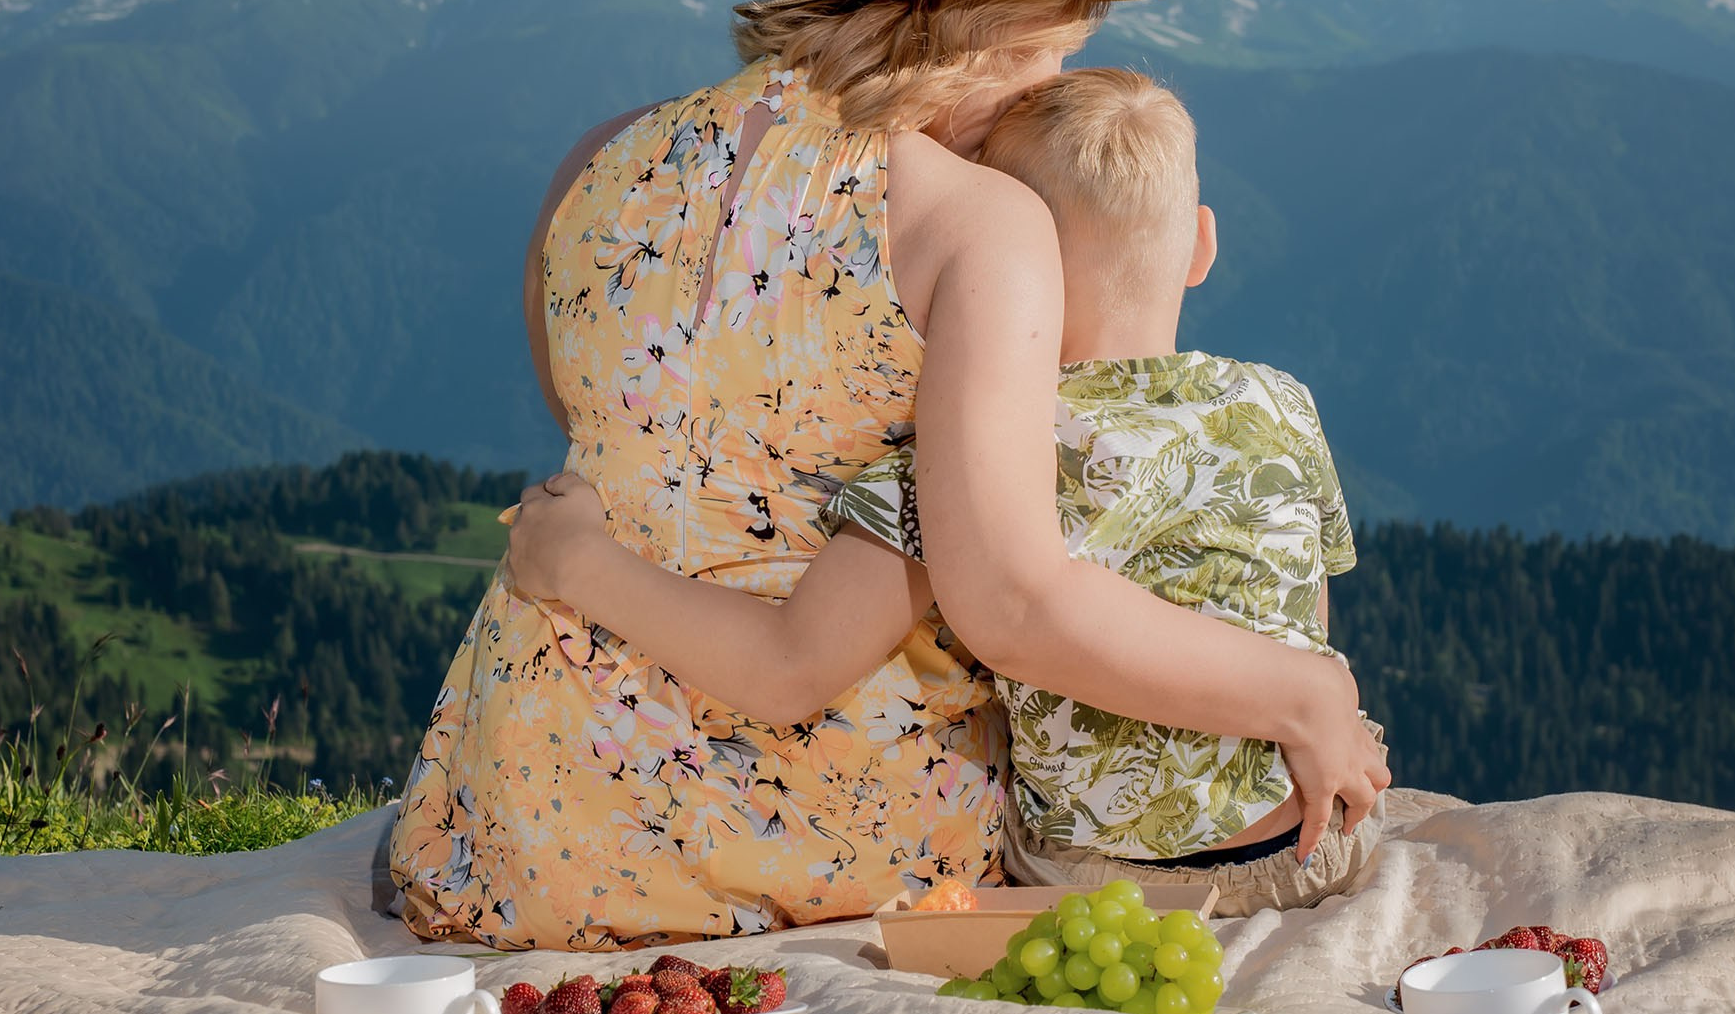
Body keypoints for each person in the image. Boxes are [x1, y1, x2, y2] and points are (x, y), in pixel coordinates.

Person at [386, 0, 1389, 950]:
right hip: (816, 825)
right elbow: (1012, 604)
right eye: (1055, 56)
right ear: (1005, 18)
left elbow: (606, 433)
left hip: (516, 805)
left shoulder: (600, 159)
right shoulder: (977, 222)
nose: (1050, 93)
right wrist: (1303, 693)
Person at [508, 69, 1382, 916]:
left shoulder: (968, 459)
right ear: (1201, 245)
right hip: (1308, 843)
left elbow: (789, 662)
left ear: (1019, 268)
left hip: (1089, 878)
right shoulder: (1281, 406)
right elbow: (1297, 609)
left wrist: (579, 561)